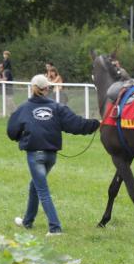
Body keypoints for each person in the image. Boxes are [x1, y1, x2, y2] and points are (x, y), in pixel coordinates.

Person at [7, 74, 100, 235]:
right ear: (47, 89)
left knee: (42, 190)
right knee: (34, 186)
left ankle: (55, 228)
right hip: (51, 157)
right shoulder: (57, 108)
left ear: (32, 88)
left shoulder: (23, 109)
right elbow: (76, 124)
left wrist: (21, 137)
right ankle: (27, 221)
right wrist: (96, 124)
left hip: (35, 156)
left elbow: (11, 131)